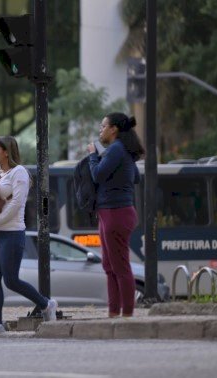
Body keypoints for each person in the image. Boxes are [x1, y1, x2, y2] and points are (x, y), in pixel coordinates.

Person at [0, 136, 58, 338]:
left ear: (6, 152)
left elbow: (16, 205)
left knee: (11, 280)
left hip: (12, 233)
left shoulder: (19, 173)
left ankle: (46, 304)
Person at [86, 112, 145, 318]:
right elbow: (135, 177)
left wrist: (94, 155)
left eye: (103, 126)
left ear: (114, 129)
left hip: (116, 213)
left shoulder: (117, 149)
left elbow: (98, 175)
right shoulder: (122, 151)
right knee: (109, 265)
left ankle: (127, 315)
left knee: (120, 267)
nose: (100, 130)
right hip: (111, 212)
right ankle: (113, 313)